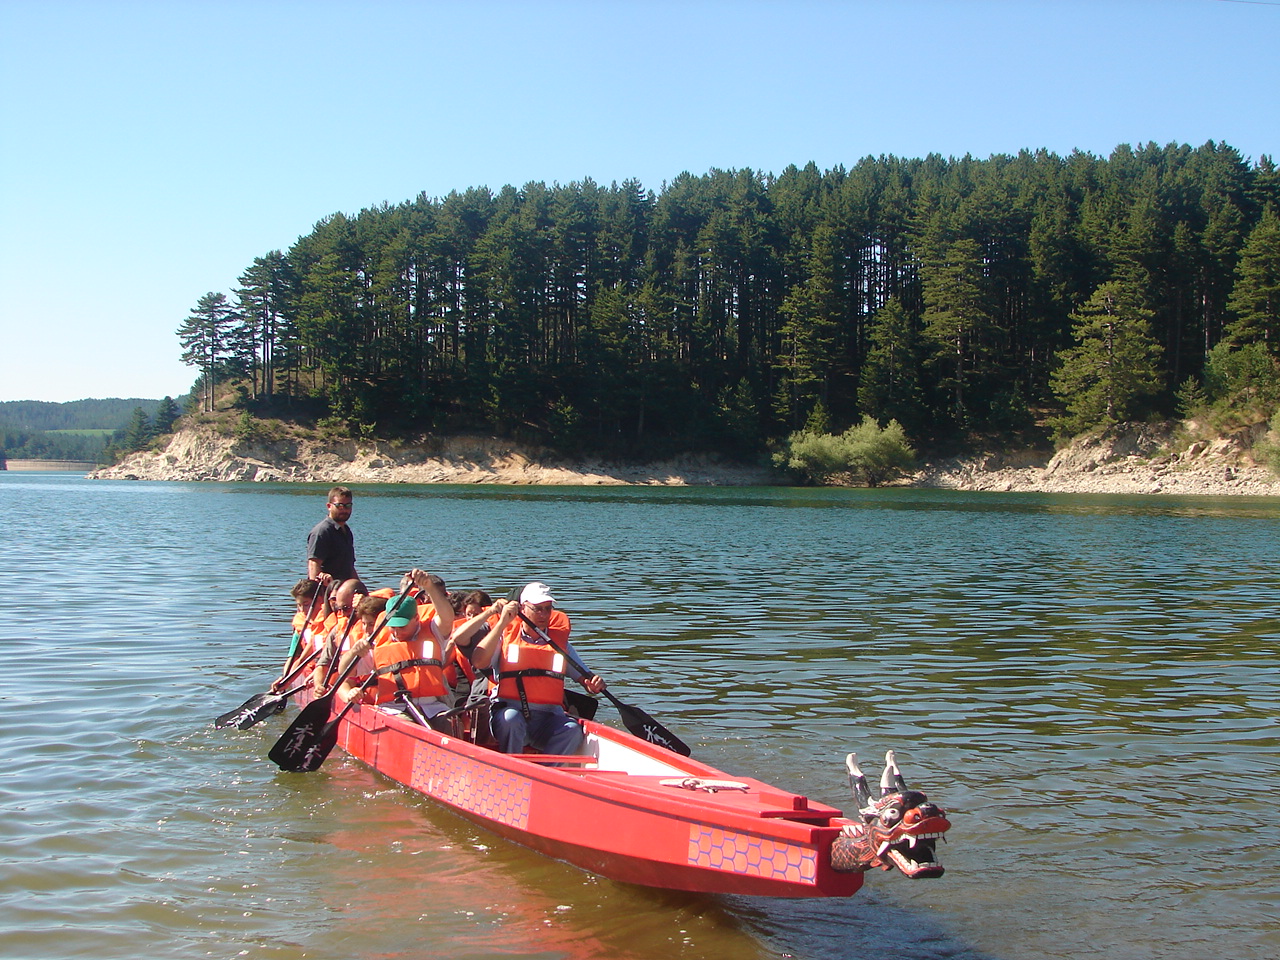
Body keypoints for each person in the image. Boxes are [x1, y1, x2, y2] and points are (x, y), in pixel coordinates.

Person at [472, 581, 606, 756]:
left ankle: (549, 774)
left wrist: (595, 683)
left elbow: (586, 680)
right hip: (510, 713)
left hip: (548, 718)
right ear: (523, 608)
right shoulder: (505, 636)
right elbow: (479, 661)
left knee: (572, 730)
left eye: (548, 609)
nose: (543, 614)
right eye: (537, 608)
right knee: (511, 719)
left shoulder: (560, 644)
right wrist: (502, 623)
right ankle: (512, 768)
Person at [361, 569, 455, 727]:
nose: (397, 632)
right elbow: (348, 672)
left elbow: (447, 617)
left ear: (416, 619)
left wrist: (429, 586)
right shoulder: (378, 639)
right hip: (394, 708)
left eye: (402, 626)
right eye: (393, 627)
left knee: (449, 723)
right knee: (408, 725)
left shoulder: (433, 631)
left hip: (431, 706)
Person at [306, 486, 358, 583]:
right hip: (328, 591)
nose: (344, 510)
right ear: (329, 506)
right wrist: (318, 595)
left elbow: (350, 567)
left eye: (348, 506)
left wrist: (360, 589)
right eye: (339, 505)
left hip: (345, 590)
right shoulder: (321, 531)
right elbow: (314, 566)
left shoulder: (346, 531)